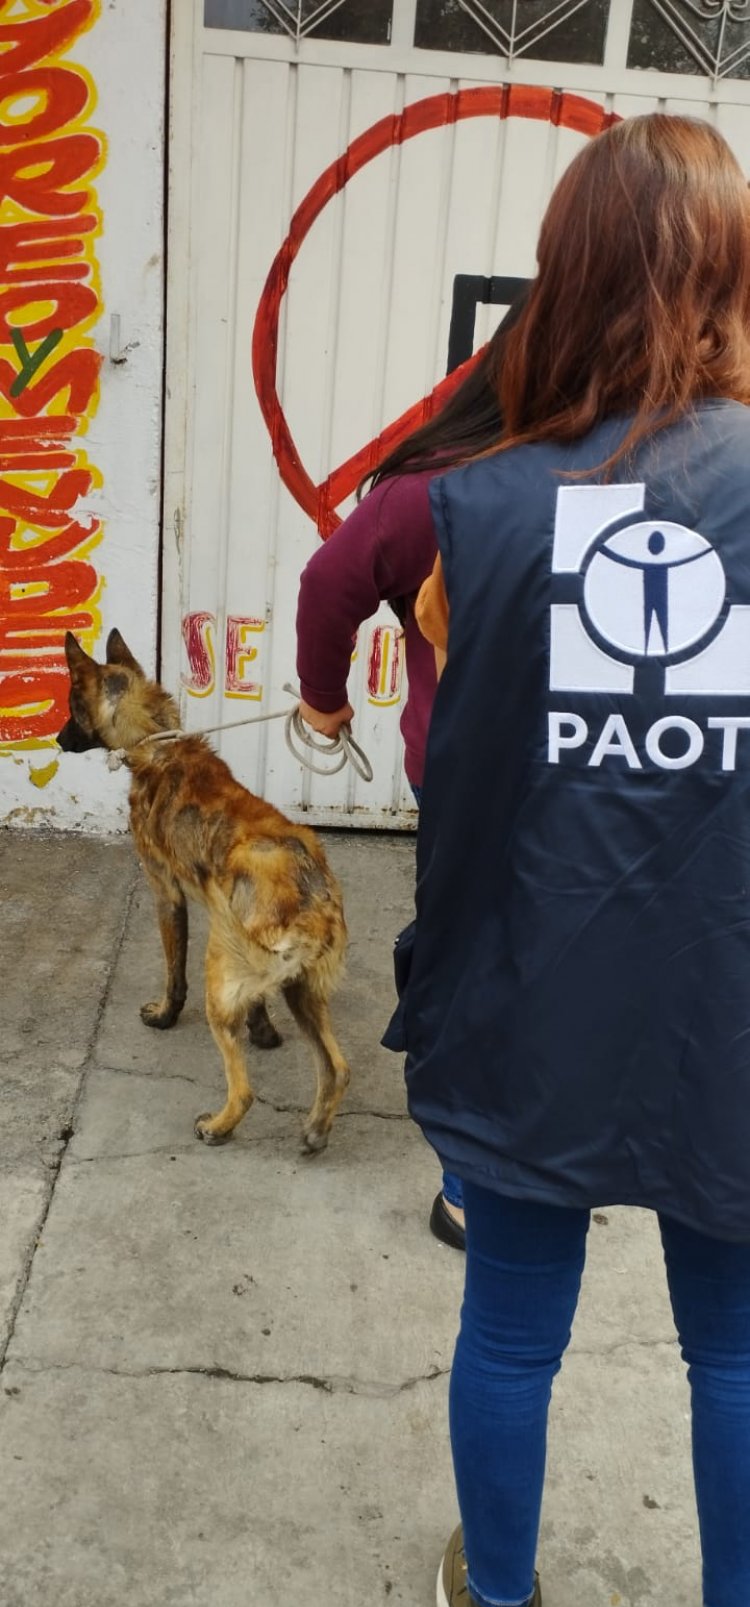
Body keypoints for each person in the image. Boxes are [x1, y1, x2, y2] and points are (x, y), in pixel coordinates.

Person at [386, 114, 750, 1607]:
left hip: (537, 985)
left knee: (512, 1325)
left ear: (562, 276)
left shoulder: (473, 503)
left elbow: (457, 765)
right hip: (729, 1009)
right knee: (735, 1347)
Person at [295, 289, 528, 1252]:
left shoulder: (428, 487)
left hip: (464, 774)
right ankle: (512, 1170)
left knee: (471, 966)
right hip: (591, 779)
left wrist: (324, 698)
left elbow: (325, 585)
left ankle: (472, 1184)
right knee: (545, 967)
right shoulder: (626, 476)